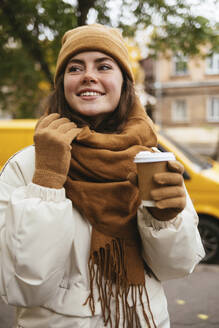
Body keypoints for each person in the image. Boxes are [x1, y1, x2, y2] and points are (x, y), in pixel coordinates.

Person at [0, 24, 205, 328]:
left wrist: (166, 221)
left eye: (104, 66)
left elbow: (176, 267)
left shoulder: (151, 159)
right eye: (75, 67)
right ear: (63, 84)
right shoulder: (27, 165)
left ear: (124, 82)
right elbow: (24, 288)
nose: (88, 75)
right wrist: (46, 181)